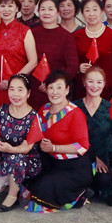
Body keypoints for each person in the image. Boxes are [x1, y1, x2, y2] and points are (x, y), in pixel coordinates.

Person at [25, 71, 92, 213]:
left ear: (67, 90)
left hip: (74, 166)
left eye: (59, 87)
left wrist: (54, 148)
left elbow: (82, 146)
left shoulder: (75, 113)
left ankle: (79, 195)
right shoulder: (44, 109)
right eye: (51, 87)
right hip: (52, 162)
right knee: (29, 174)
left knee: (44, 186)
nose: (55, 92)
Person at [74, 66, 112, 207]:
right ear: (84, 82)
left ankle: (107, 190)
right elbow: (72, 139)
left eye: (99, 82)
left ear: (104, 84)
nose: (95, 86)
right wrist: (93, 158)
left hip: (105, 158)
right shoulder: (75, 107)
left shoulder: (110, 107)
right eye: (91, 81)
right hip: (81, 155)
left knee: (104, 179)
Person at [0, 75, 42, 212]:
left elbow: (26, 148)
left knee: (16, 157)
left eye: (20, 90)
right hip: (2, 161)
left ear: (28, 93)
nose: (15, 94)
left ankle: (12, 196)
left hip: (26, 162)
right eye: (12, 89)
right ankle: (12, 185)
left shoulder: (34, 117)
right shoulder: (1, 111)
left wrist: (10, 149)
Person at [30, 0, 80, 109]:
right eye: (43, 9)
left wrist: (51, 83)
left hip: (56, 90)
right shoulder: (31, 33)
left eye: (50, 9)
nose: (46, 12)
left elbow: (72, 67)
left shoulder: (66, 36)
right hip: (34, 89)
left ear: (58, 12)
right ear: (38, 11)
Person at [0, 0, 38, 110]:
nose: (6, 10)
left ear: (17, 9)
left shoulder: (25, 31)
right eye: (2, 6)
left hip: (18, 83)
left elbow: (33, 61)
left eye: (10, 6)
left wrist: (14, 79)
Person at [73, 0, 112, 100]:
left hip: (107, 90)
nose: (91, 14)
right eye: (87, 10)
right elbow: (71, 61)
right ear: (82, 14)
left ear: (102, 12)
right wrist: (78, 67)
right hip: (82, 90)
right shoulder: (76, 35)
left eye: (95, 10)